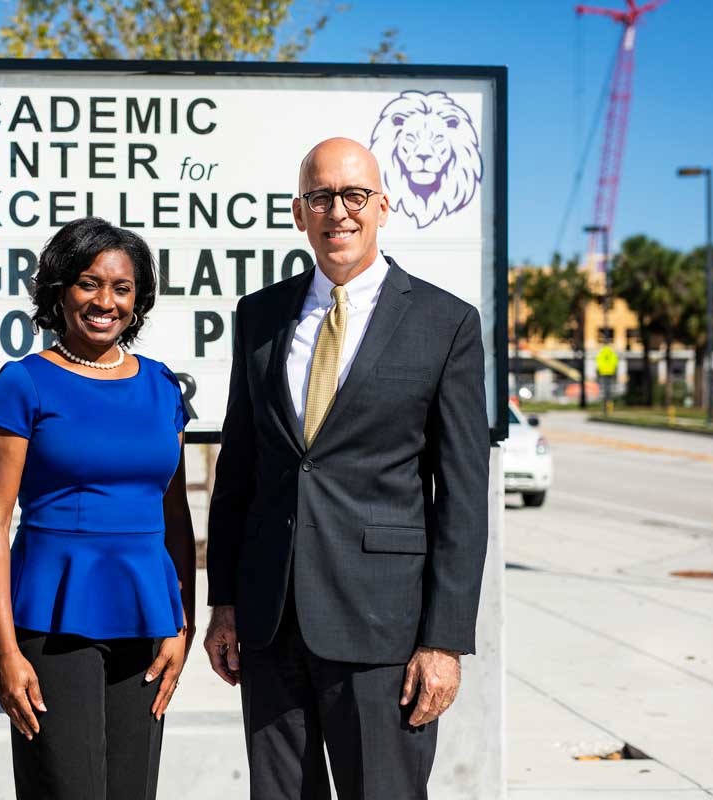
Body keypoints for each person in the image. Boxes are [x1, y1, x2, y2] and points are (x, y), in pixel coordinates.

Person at [203, 137, 489, 799]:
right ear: (299, 212)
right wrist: (224, 603)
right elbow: (239, 469)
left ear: (384, 206)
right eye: (321, 196)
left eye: (355, 195)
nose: (340, 211)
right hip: (270, 624)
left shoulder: (446, 324)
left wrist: (444, 641)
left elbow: (463, 499)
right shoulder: (260, 317)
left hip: (384, 631)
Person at [0, 216, 196, 800]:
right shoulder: (22, 384)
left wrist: (182, 626)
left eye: (121, 288)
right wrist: (4, 651)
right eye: (88, 283)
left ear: (138, 299)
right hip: (51, 626)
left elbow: (175, 520)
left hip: (147, 621)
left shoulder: (163, 388)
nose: (105, 301)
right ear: (58, 292)